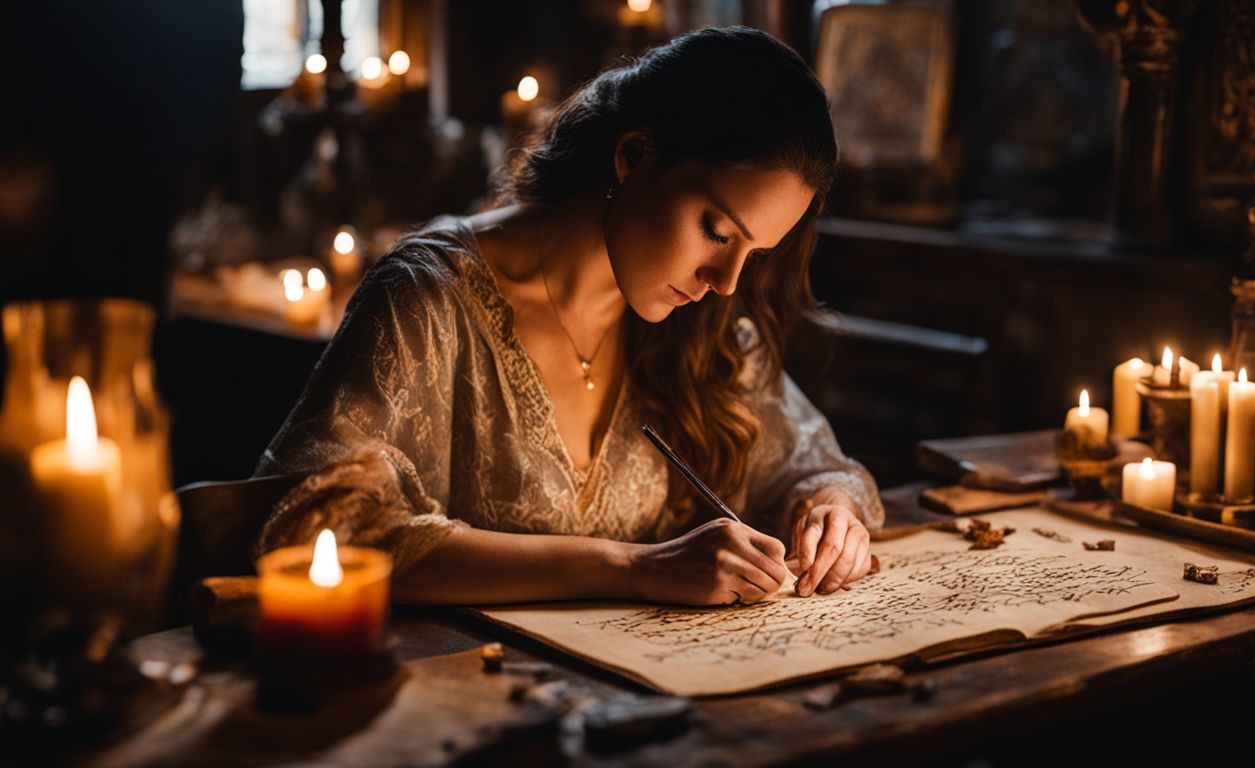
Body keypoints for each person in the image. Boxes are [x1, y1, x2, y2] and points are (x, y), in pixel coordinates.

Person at [253, 26, 883, 607]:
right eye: (716, 231)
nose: (726, 284)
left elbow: (817, 467)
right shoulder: (431, 300)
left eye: (755, 253)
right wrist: (632, 567)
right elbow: (317, 529)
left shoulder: (702, 324)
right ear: (634, 155)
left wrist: (831, 509)